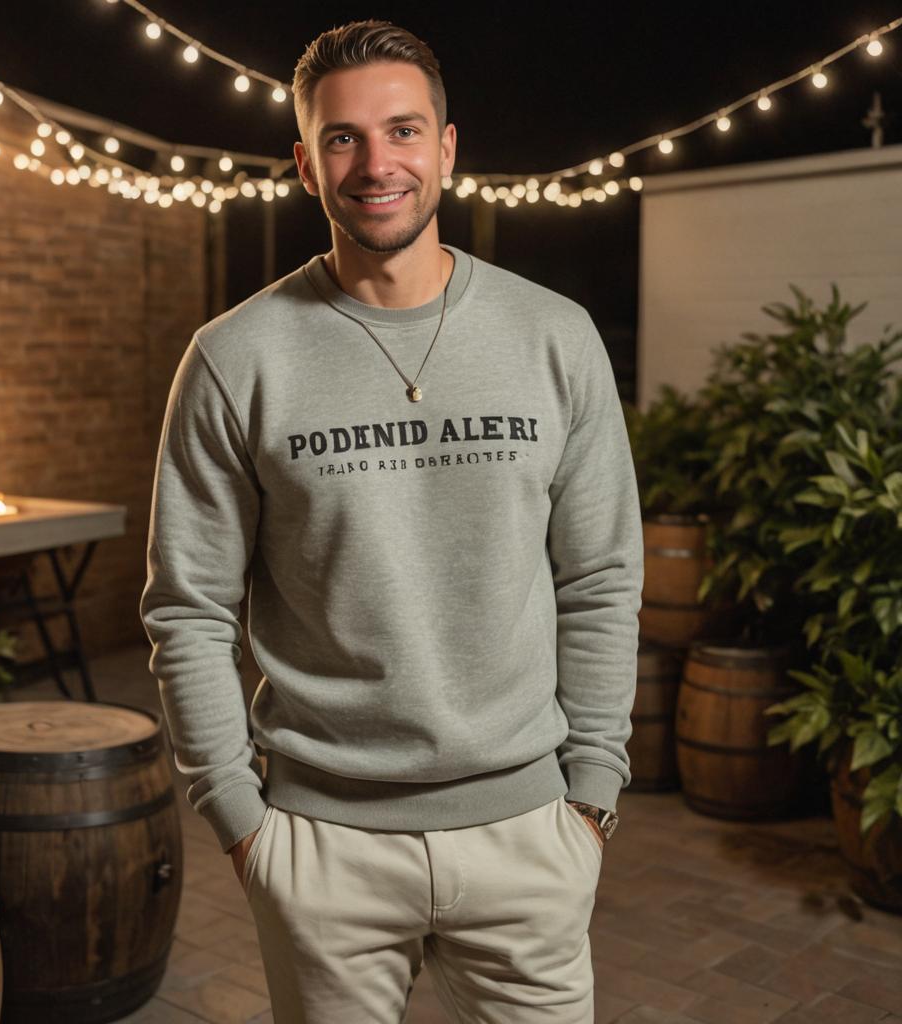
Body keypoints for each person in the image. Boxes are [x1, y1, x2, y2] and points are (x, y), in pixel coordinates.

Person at [140, 18, 643, 1024]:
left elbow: (599, 575)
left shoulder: (554, 337)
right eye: (342, 138)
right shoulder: (235, 358)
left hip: (527, 838)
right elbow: (185, 608)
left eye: (404, 131)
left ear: (447, 148)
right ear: (303, 163)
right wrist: (242, 823)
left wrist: (589, 791)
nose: (377, 164)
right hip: (323, 845)